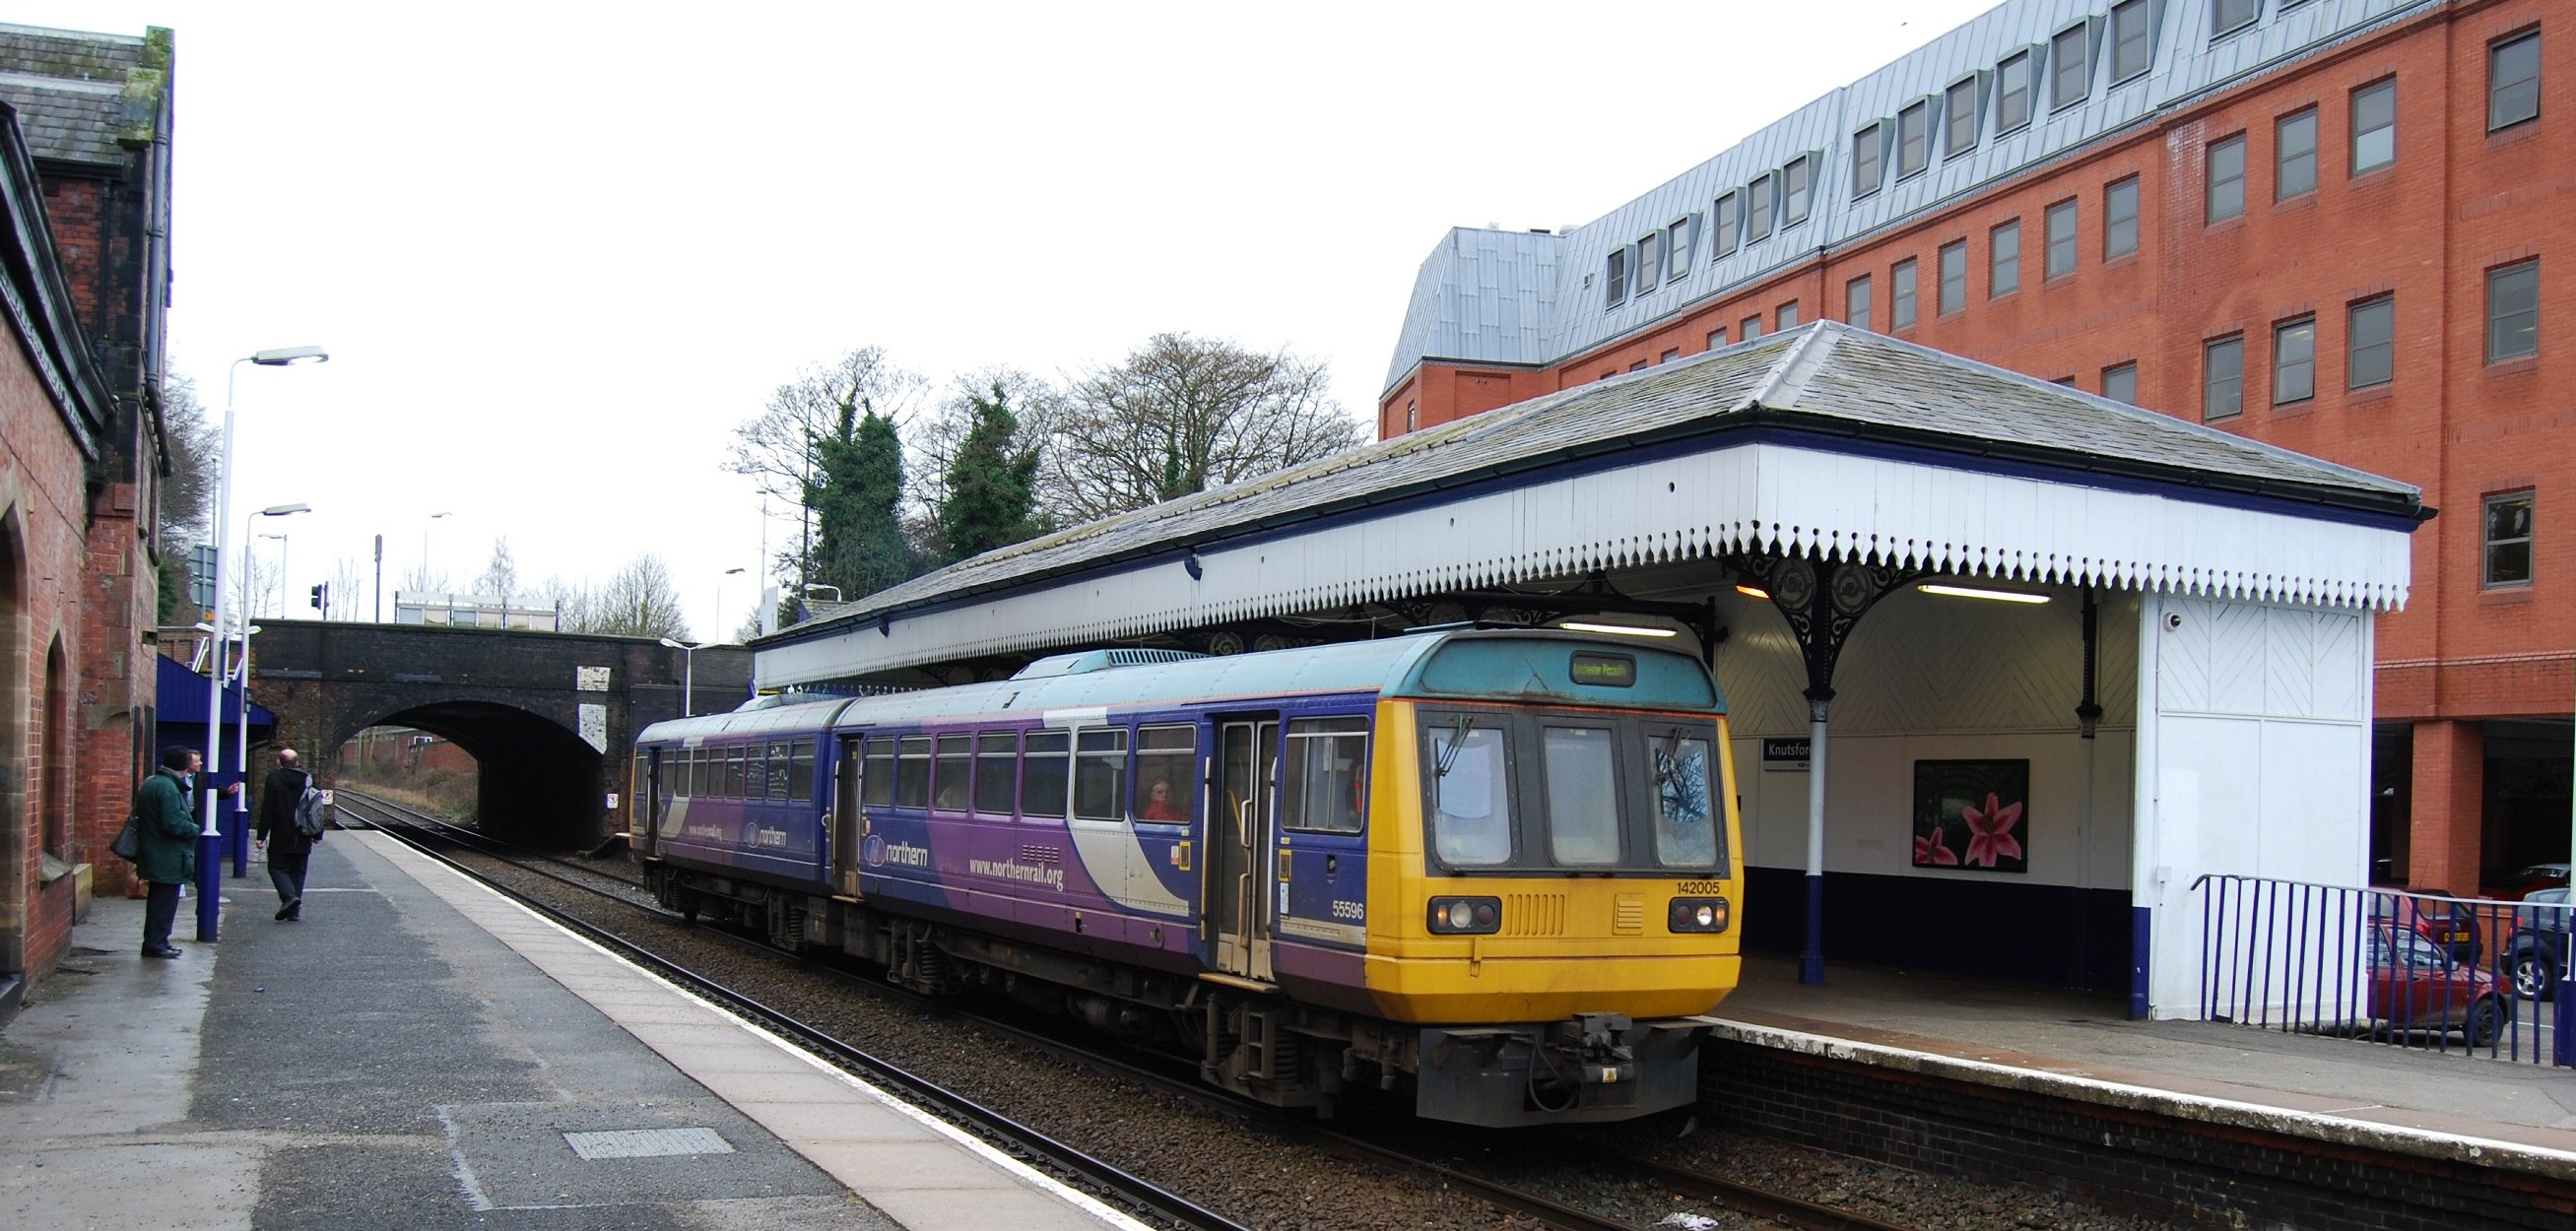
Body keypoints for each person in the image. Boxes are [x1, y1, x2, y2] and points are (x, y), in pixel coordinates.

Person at [132, 746, 205, 958]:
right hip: (166, 855)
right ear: (183, 765)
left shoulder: (153, 782)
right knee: (164, 903)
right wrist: (197, 829)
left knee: (159, 901)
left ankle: (157, 941)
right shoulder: (168, 788)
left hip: (156, 852)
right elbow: (173, 824)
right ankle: (157, 943)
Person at [252, 747, 318, 921]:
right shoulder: (308, 780)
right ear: (297, 763)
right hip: (303, 834)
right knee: (298, 873)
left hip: (281, 834)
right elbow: (316, 809)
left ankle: (289, 898)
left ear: (279, 762)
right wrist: (317, 833)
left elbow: (268, 809)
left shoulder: (274, 780)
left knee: (276, 868)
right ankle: (294, 911)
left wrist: (261, 836)